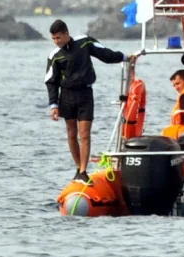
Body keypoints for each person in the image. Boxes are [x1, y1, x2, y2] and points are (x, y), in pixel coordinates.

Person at [45, 19, 136, 184]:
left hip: (85, 94)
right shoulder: (54, 56)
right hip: (66, 95)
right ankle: (78, 168)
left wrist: (124, 57)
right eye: (53, 39)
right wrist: (53, 105)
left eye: (58, 38)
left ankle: (83, 171)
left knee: (85, 134)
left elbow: (105, 54)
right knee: (72, 134)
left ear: (66, 33)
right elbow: (51, 81)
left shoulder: (84, 42)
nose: (56, 42)